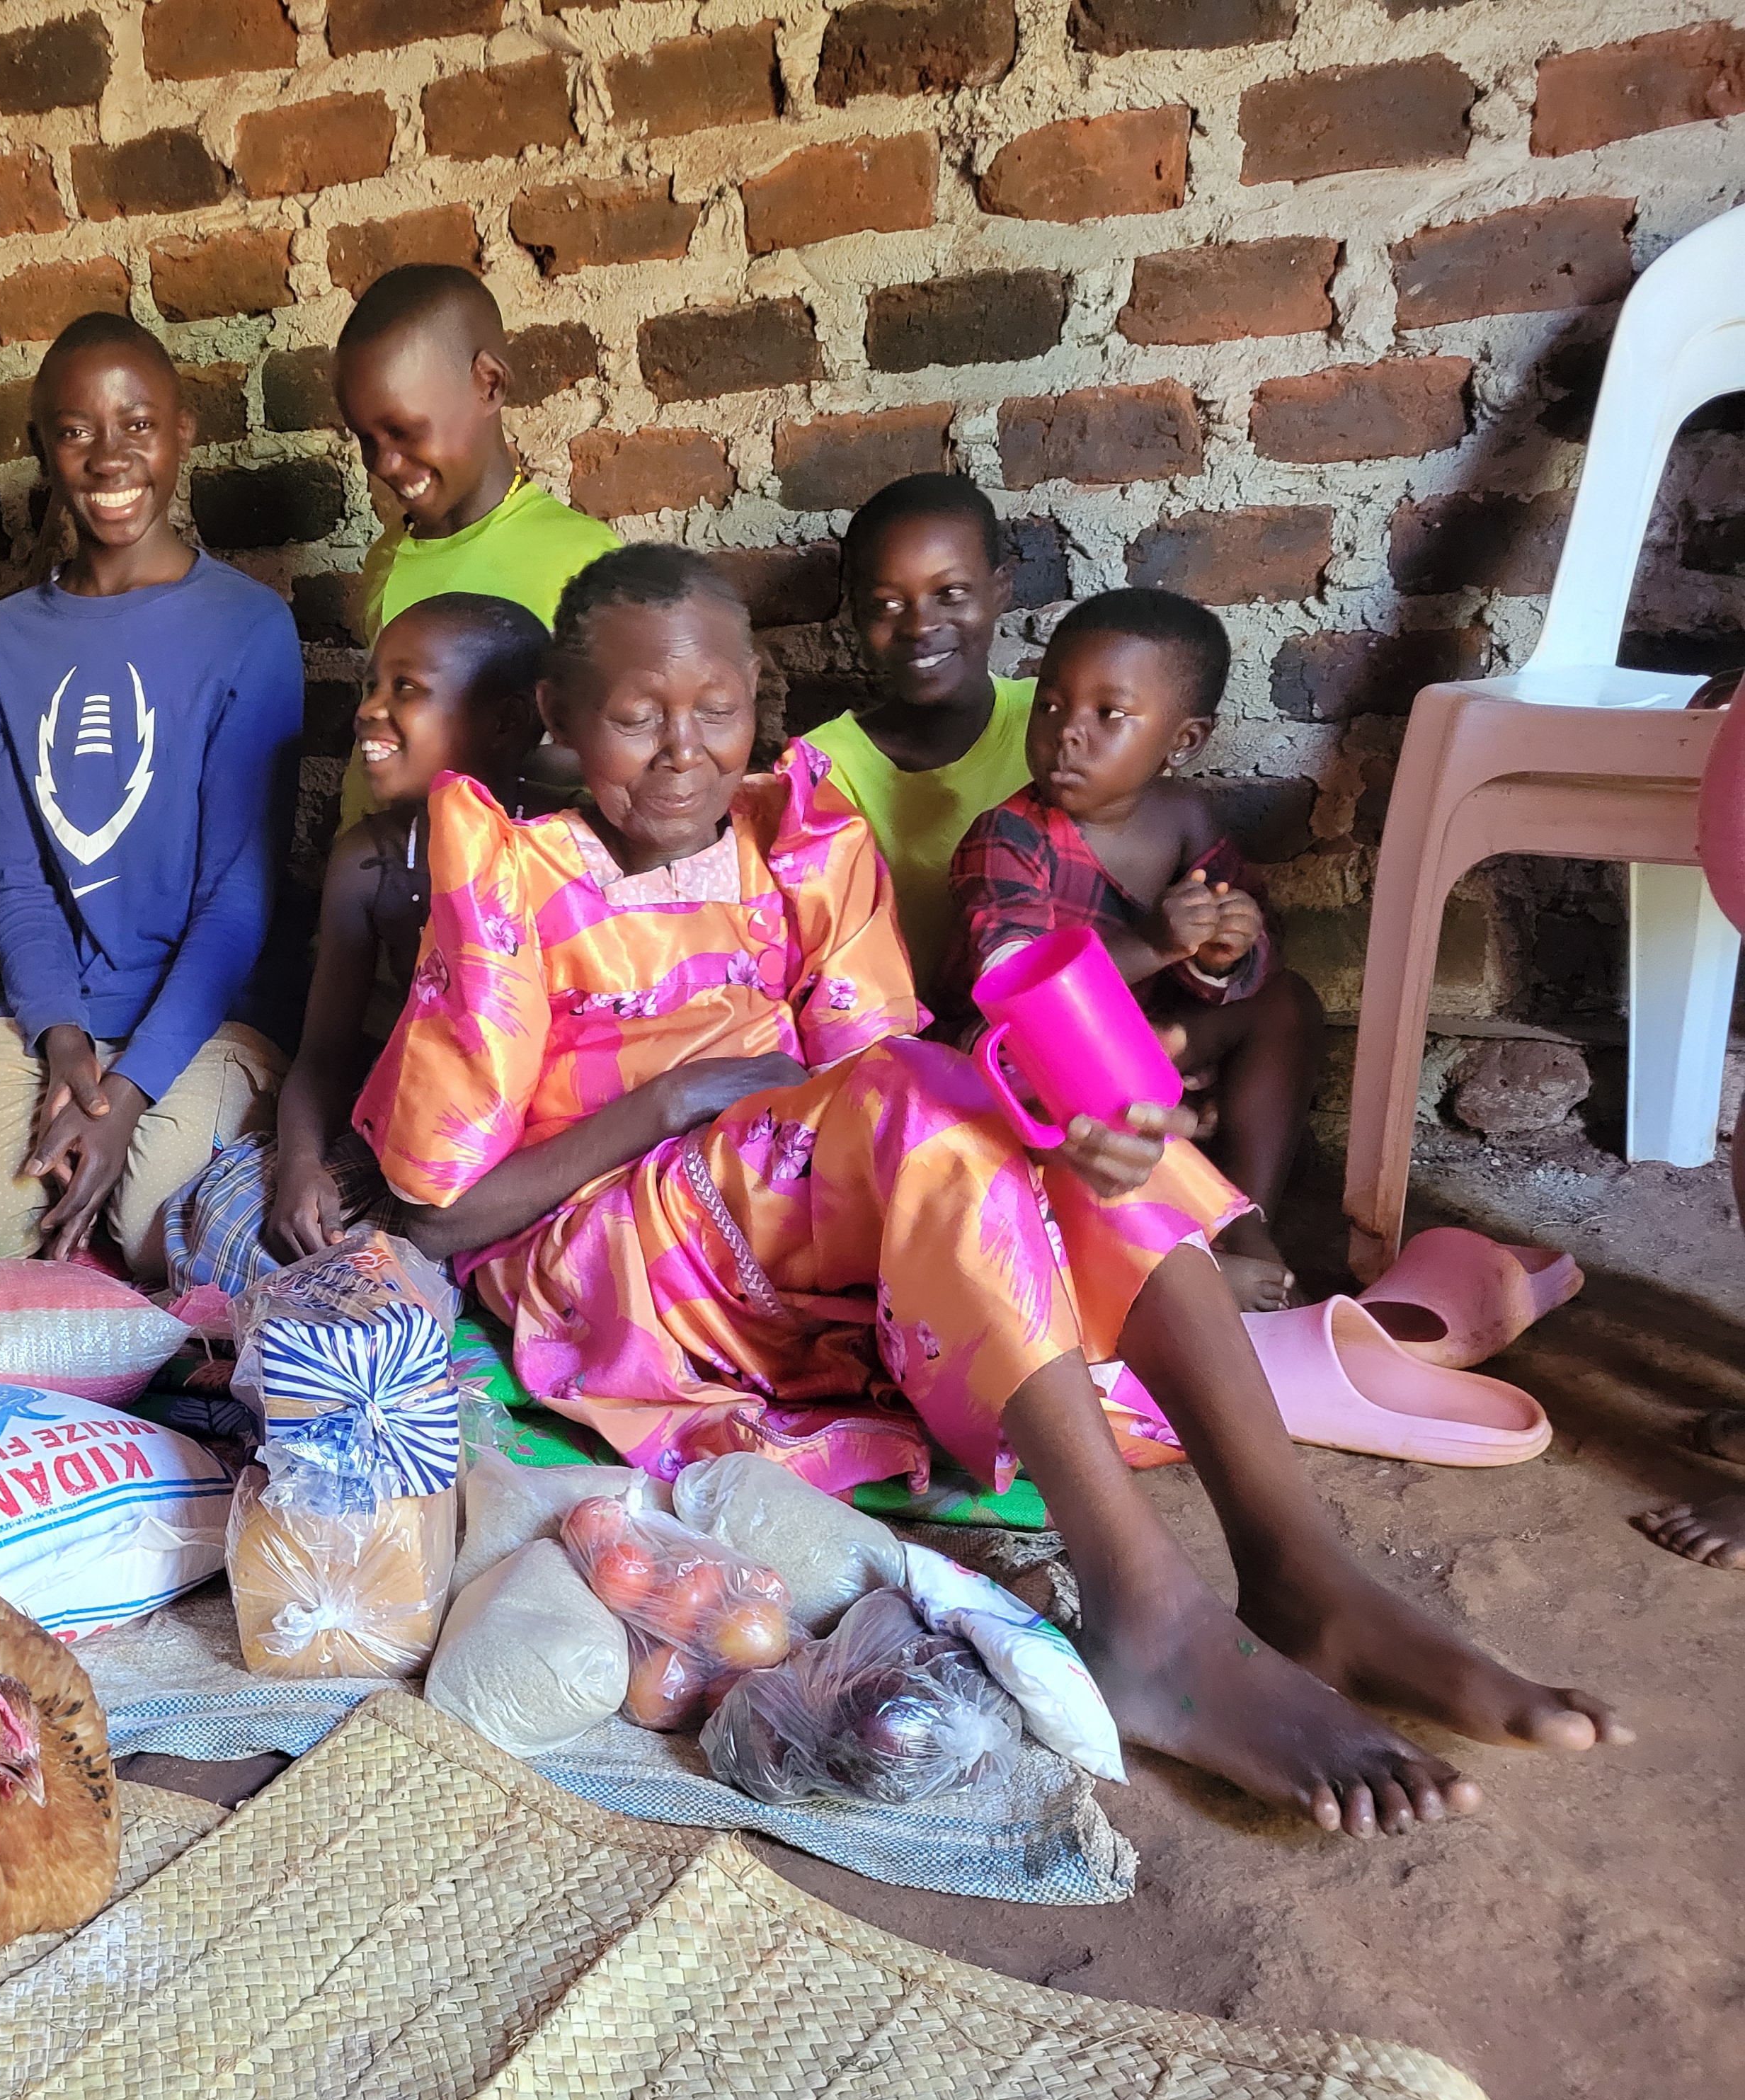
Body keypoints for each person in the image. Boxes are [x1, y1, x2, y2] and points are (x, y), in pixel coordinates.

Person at [357, 543, 1625, 1837]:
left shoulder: (797, 837)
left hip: (809, 1219)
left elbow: (872, 1083)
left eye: (717, 711)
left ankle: (1298, 1568)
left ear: (759, 707)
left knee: (1032, 1113)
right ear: (565, 722)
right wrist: (675, 1099)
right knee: (937, 1098)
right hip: (621, 1247)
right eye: (633, 718)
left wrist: (1049, 1139)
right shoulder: (511, 880)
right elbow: (437, 1212)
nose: (682, 750)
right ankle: (1149, 1617)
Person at [0, 314, 302, 1278]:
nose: (109, 455)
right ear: (42, 447)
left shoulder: (248, 628)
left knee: (150, 1228)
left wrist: (127, 1093)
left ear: (182, 436)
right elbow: (14, 880)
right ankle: (92, 1153)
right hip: (62, 1009)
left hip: (211, 1017)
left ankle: (233, 1129)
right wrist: (64, 1049)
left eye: (138, 425)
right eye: (76, 430)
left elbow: (237, 902)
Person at [947, 589, 1325, 1312]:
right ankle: (1184, 1261)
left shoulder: (1187, 822)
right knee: (1077, 1096)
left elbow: (1248, 959)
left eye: (1107, 714)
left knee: (1288, 1001)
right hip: (1032, 1063)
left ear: (1183, 743)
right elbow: (1014, 994)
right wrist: (1155, 944)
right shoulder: (1009, 838)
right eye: (1051, 705)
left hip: (1149, 1047)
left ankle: (1246, 1217)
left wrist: (1221, 955)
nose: (1068, 733)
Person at [165, 593, 548, 1292]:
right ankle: (403, 1280)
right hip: (410, 1145)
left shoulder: (553, 847)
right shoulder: (370, 858)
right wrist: (300, 1168)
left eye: (407, 690)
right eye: (372, 686)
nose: (370, 709)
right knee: (224, 1224)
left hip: (543, 1152)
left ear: (507, 720)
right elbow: (324, 1057)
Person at [326, 262, 619, 831]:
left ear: (489, 384)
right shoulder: (388, 560)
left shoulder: (581, 560)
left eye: (406, 431)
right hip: (377, 877)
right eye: (367, 440)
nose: (385, 464)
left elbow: (601, 759)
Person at [806, 472, 1033, 993]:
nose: (919, 626)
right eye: (888, 604)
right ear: (858, 616)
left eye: (950, 593)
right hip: (895, 1048)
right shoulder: (824, 767)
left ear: (1001, 589)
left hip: (1050, 1026)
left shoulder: (1049, 725)